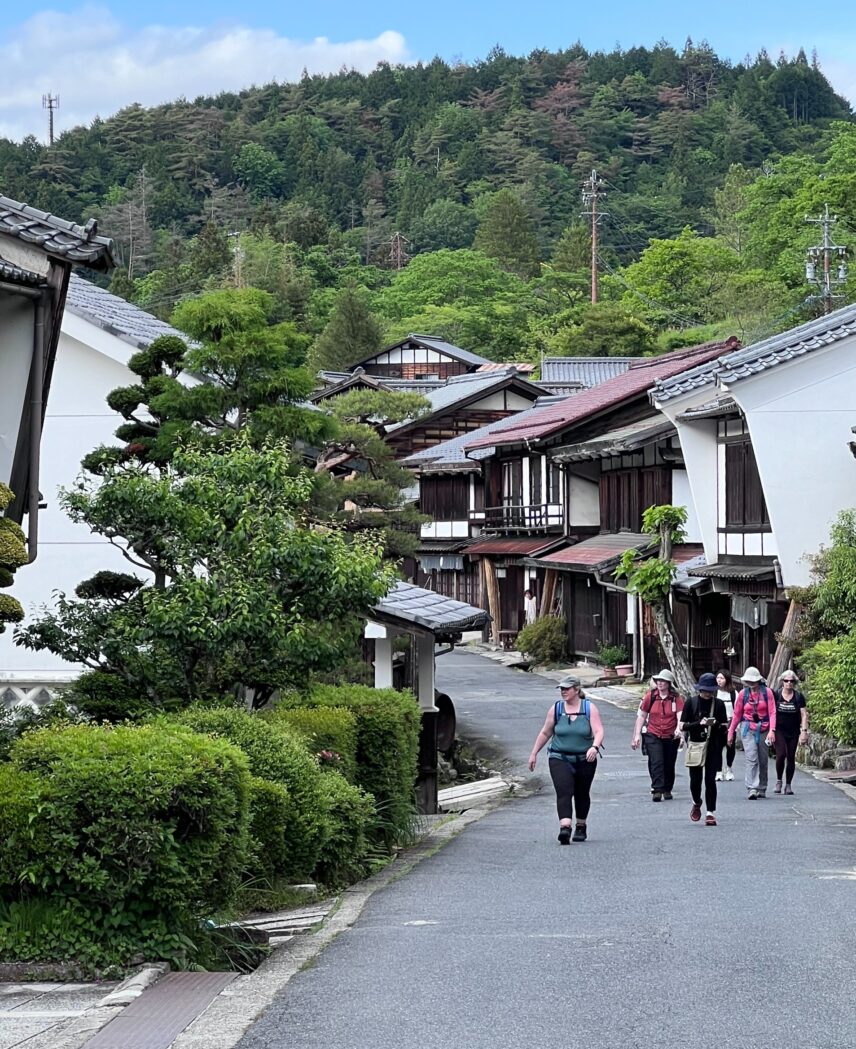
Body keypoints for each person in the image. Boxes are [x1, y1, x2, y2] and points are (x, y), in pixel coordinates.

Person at [529, 675, 604, 844]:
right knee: (564, 791)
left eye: (566, 689)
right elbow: (545, 732)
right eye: (561, 689)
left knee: (581, 792)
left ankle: (581, 825)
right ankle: (565, 827)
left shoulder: (589, 708)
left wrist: (595, 747)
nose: (563, 692)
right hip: (559, 757)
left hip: (585, 758)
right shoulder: (556, 709)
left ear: (576, 690)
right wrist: (534, 753)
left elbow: (598, 731)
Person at [677, 672, 728, 825]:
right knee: (695, 780)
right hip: (695, 745)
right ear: (700, 689)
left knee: (710, 780)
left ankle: (710, 812)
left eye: (710, 690)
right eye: (705, 690)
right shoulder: (691, 703)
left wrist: (715, 725)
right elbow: (682, 726)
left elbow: (724, 726)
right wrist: (699, 723)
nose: (707, 693)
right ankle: (696, 801)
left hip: (713, 746)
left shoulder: (718, 704)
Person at [631, 669, 684, 802]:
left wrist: (679, 730)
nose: (660, 683)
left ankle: (667, 788)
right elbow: (642, 715)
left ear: (669, 683)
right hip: (653, 733)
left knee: (669, 763)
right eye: (658, 681)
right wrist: (637, 735)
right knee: (656, 761)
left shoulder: (675, 698)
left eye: (663, 681)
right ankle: (657, 789)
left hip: (671, 735)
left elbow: (680, 716)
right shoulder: (651, 696)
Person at [727, 666, 776, 800]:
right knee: (751, 758)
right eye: (749, 681)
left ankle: (762, 787)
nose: (751, 683)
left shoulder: (767, 693)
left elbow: (772, 712)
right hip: (748, 728)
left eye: (753, 681)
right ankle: (752, 787)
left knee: (763, 759)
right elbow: (737, 714)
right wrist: (731, 732)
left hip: (764, 728)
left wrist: (772, 730)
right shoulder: (743, 694)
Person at [773, 671, 809, 795]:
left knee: (791, 756)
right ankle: (779, 780)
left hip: (793, 730)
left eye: (791, 681)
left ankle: (788, 784)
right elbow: (771, 712)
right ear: (782, 681)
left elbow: (804, 714)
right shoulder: (776, 695)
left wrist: (804, 731)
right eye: (786, 681)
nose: (789, 683)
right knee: (781, 754)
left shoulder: (798, 696)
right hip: (779, 730)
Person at [714, 669, 737, 782]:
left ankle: (729, 769)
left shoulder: (733, 693)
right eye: (718, 678)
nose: (719, 680)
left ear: (727, 679)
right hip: (717, 725)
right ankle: (718, 771)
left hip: (731, 725)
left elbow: (737, 711)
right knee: (717, 749)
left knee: (730, 748)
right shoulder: (714, 693)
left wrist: (733, 725)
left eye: (722, 678)